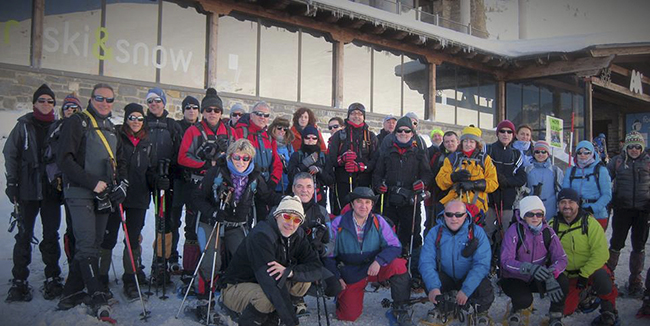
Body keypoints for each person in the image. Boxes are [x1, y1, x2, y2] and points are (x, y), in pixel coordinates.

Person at [56, 83, 127, 317]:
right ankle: (96, 293)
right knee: (86, 242)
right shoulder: (77, 122)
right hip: (79, 191)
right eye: (100, 98)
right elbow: (64, 160)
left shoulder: (110, 127)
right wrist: (90, 182)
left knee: (94, 243)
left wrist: (119, 185)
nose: (105, 103)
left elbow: (118, 161)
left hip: (103, 194)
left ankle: (71, 292)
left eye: (109, 100)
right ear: (91, 98)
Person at [193, 139, 281, 296]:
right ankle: (204, 292)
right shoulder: (216, 173)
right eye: (237, 157)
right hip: (212, 223)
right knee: (212, 262)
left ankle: (232, 289)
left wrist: (286, 200)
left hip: (235, 225)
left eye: (245, 158)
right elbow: (197, 198)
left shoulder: (254, 177)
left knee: (244, 259)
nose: (241, 162)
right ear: (229, 157)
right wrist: (213, 212)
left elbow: (267, 195)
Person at [219, 196, 322, 326]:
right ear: (277, 215)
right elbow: (270, 283)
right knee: (267, 299)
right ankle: (246, 318)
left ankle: (274, 315)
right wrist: (292, 322)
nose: (291, 223)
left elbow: (317, 268)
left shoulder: (297, 235)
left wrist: (290, 272)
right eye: (286, 216)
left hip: (266, 283)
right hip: (237, 286)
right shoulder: (261, 236)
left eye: (296, 219)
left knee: (303, 281)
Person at [4, 84, 64, 302]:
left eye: (50, 101)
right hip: (27, 188)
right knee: (24, 235)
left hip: (50, 189)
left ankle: (52, 276)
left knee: (51, 234)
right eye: (42, 101)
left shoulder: (59, 127)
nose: (46, 104)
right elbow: (10, 153)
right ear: (34, 103)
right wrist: (12, 182)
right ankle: (19, 279)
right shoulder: (23, 126)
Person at [324, 187, 413, 324]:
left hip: (374, 267)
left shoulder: (379, 221)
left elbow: (395, 246)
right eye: (359, 201)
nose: (363, 206)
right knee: (349, 316)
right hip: (351, 271)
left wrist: (379, 261)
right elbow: (328, 255)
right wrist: (337, 277)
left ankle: (400, 307)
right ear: (352, 204)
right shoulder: (338, 223)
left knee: (398, 265)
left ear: (372, 205)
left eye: (367, 202)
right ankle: (341, 297)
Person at [97, 103, 154, 300]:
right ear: (126, 119)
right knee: (108, 236)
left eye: (139, 118)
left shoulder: (148, 141)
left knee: (132, 237)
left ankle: (131, 276)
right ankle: (101, 276)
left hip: (139, 195)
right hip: (116, 195)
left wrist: (157, 181)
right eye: (132, 118)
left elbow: (150, 169)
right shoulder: (116, 136)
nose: (136, 122)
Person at [178, 89, 234, 276]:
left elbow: (237, 155)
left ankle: (218, 269)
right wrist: (206, 163)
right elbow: (183, 157)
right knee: (193, 226)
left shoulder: (229, 131)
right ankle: (190, 269)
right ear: (203, 112)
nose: (212, 113)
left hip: (222, 186)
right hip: (198, 185)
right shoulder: (193, 131)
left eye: (216, 110)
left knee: (221, 225)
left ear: (221, 113)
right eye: (208, 109)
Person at [373, 116, 432, 276]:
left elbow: (427, 174)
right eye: (400, 130)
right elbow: (377, 174)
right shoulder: (387, 152)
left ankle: (414, 271)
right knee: (388, 233)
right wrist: (379, 186)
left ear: (412, 134)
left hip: (410, 200)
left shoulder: (418, 153)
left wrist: (422, 183)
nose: (403, 133)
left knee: (412, 233)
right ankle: (387, 270)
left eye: (407, 131)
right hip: (390, 199)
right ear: (395, 133)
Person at [550, 188, 619, 326]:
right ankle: (585, 295)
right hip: (568, 275)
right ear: (558, 204)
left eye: (571, 202)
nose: (567, 206)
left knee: (603, 278)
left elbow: (601, 254)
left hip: (590, 272)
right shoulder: (553, 225)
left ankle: (608, 309)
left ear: (578, 203)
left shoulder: (590, 223)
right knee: (566, 309)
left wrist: (584, 274)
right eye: (563, 202)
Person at [419, 200, 494, 325]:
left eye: (458, 214)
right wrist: (433, 287)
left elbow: (482, 264)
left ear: (466, 215)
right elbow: (426, 262)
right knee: (428, 279)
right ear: (444, 215)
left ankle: (480, 311)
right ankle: (444, 307)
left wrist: (466, 290)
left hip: (467, 279)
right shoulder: (434, 233)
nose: (454, 218)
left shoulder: (477, 233)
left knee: (483, 284)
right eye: (449, 214)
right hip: (446, 278)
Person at [500, 196, 568, 326]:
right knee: (524, 299)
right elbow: (505, 260)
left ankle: (556, 315)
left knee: (562, 281)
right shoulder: (514, 231)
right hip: (515, 277)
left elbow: (561, 258)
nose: (535, 217)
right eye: (530, 214)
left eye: (539, 214)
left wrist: (552, 273)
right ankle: (517, 308)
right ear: (523, 215)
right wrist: (528, 268)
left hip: (538, 276)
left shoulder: (548, 232)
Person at [144, 87, 184, 282]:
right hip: (143, 179)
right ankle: (133, 265)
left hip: (165, 180)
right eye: (150, 101)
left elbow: (179, 154)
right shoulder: (141, 123)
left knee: (164, 222)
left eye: (157, 100)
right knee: (136, 223)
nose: (154, 104)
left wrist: (171, 175)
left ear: (164, 103)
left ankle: (160, 262)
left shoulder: (172, 125)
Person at [606, 131, 650, 297]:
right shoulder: (617, 161)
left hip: (643, 210)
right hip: (622, 209)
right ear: (625, 147)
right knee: (616, 243)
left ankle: (635, 281)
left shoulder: (648, 161)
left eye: (637, 147)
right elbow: (603, 179)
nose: (633, 150)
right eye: (630, 146)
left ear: (642, 147)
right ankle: (608, 278)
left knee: (639, 245)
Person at [48, 93, 83, 264]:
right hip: (57, 182)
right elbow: (50, 155)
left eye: (74, 107)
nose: (70, 110)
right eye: (67, 107)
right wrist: (55, 175)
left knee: (75, 226)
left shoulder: (84, 128)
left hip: (77, 183)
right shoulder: (56, 127)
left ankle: (76, 266)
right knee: (51, 228)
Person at [436, 125, 498, 221]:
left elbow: (493, 183)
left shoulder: (485, 159)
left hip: (477, 207)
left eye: (471, 141)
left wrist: (474, 185)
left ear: (477, 143)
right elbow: (440, 181)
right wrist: (453, 177)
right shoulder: (452, 158)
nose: (468, 144)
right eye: (465, 141)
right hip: (455, 208)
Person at [233, 101, 283, 219]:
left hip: (265, 186)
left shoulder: (269, 138)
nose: (262, 117)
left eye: (266, 115)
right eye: (259, 114)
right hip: (245, 185)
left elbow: (277, 163)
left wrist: (273, 181)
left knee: (264, 220)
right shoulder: (241, 132)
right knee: (244, 220)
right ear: (251, 115)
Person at [327, 103, 379, 215]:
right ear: (348, 116)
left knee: (362, 214)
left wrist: (362, 167)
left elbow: (375, 161)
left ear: (364, 117)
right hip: (343, 183)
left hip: (364, 183)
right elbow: (331, 160)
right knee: (342, 213)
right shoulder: (339, 136)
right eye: (353, 113)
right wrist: (342, 159)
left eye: (360, 114)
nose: (356, 116)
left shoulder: (370, 137)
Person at [486, 120, 527, 244]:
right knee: (487, 233)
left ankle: (504, 260)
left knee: (506, 235)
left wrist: (507, 181)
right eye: (502, 131)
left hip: (507, 203)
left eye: (509, 132)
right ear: (497, 134)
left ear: (513, 135)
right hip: (489, 202)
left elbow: (522, 178)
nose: (505, 134)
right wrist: (496, 178)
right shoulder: (489, 150)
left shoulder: (516, 154)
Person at [172, 95, 200, 274]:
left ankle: (190, 262)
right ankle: (169, 258)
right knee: (171, 221)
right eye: (188, 107)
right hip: (177, 180)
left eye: (194, 107)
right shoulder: (176, 127)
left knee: (192, 224)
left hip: (195, 183)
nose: (191, 110)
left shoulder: (201, 129)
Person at [562, 140, 612, 230]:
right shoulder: (571, 171)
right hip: (575, 213)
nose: (583, 155)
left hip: (597, 215)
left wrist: (593, 208)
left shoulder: (600, 170)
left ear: (592, 153)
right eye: (579, 152)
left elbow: (607, 194)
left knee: (595, 242)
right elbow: (565, 192)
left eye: (586, 152)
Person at [287, 125, 334, 207]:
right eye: (307, 138)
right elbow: (291, 177)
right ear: (303, 139)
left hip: (318, 197)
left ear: (317, 140)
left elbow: (330, 180)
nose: (310, 140)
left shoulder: (323, 157)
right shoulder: (296, 155)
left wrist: (319, 170)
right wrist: (305, 164)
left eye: (314, 138)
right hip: (299, 197)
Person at [425, 131, 458, 233]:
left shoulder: (462, 157)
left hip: (457, 198)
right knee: (433, 226)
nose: (450, 144)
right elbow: (430, 173)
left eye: (452, 141)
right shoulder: (438, 156)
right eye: (447, 142)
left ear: (458, 141)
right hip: (437, 197)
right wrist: (427, 190)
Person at [524, 141, 564, 219]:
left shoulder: (555, 170)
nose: (540, 154)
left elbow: (560, 190)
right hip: (532, 209)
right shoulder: (527, 169)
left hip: (551, 209)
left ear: (548, 154)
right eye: (537, 152)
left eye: (543, 152)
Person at [268, 117, 295, 195]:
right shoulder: (268, 143)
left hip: (287, 186)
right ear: (273, 129)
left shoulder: (289, 146)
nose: (282, 131)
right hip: (273, 186)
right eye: (279, 128)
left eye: (285, 129)